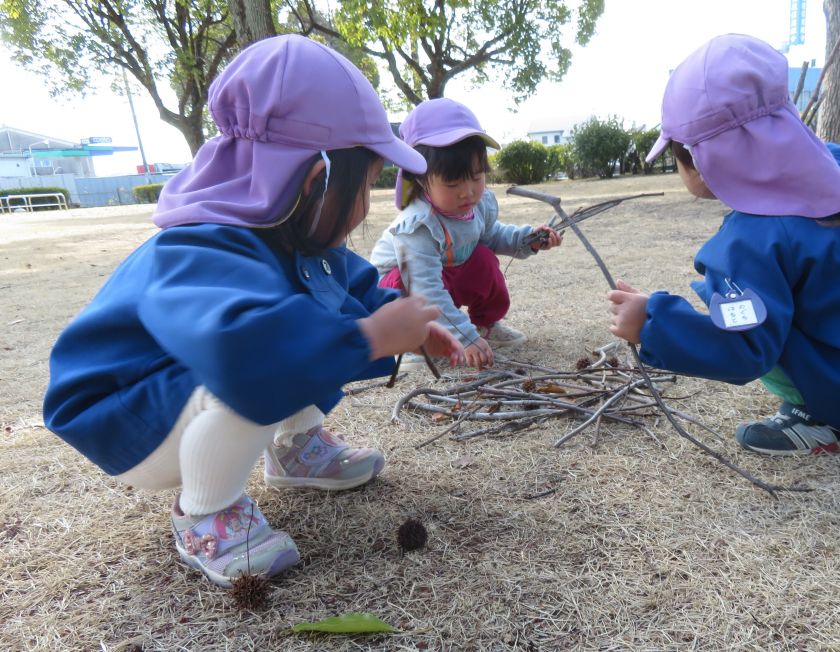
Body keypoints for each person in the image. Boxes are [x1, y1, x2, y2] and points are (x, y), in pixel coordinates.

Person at [42, 35, 462, 588]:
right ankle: (205, 515)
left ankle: (296, 448)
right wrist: (370, 337)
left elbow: (355, 291)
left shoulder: (293, 238)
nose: (366, 206)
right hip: (125, 416)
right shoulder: (201, 246)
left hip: (181, 381)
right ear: (318, 180)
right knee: (273, 353)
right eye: (366, 186)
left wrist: (406, 325)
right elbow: (246, 350)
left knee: (302, 327)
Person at [607, 34, 840, 456]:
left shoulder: (753, 239)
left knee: (762, 318)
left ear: (703, 162)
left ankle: (830, 420)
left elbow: (743, 346)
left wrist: (652, 322)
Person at [369, 98, 562, 370]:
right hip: (400, 288)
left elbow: (491, 235)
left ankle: (486, 325)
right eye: (452, 183)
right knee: (404, 283)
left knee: (482, 257)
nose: (467, 191)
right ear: (421, 178)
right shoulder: (418, 225)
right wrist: (463, 336)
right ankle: (413, 342)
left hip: (443, 278)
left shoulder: (477, 205)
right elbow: (425, 289)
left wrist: (528, 239)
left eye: (476, 177)